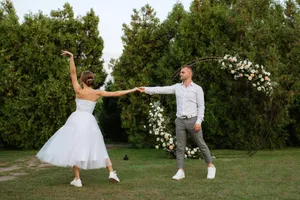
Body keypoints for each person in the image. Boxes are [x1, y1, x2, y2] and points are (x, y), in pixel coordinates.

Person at [37, 50, 138, 187]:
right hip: (89, 122)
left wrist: (71, 57)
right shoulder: (97, 93)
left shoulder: (79, 90)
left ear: (82, 80)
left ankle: (77, 179)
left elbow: (72, 72)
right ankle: (111, 172)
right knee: (99, 147)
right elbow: (116, 93)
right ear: (91, 81)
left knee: (74, 148)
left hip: (77, 121)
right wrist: (133, 89)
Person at [138, 65, 216, 180]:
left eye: (182, 72)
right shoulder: (177, 87)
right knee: (180, 147)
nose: (180, 74)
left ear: (189, 74)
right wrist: (146, 89)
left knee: (201, 144)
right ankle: (180, 171)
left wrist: (199, 121)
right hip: (179, 121)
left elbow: (201, 106)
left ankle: (210, 166)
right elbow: (162, 89)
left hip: (193, 120)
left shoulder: (197, 89)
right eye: (180, 72)